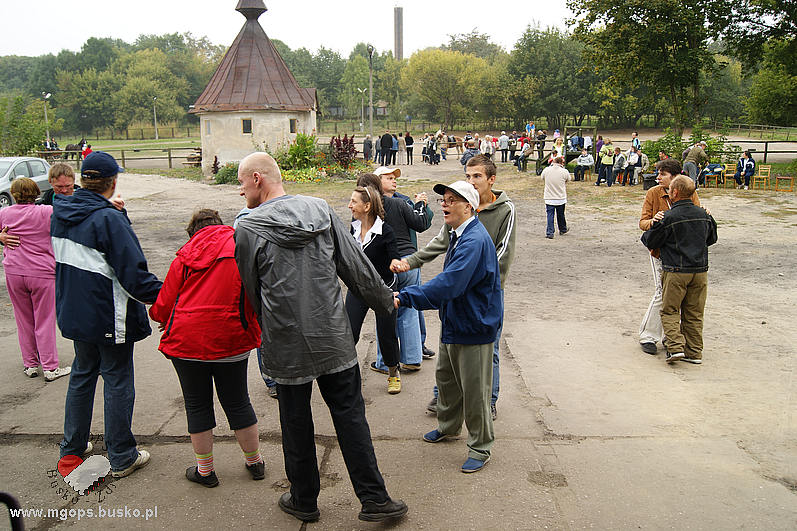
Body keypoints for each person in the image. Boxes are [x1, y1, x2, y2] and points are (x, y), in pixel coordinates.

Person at [234, 152, 408, 524]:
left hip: (286, 342)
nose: (240, 189)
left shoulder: (248, 229)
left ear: (258, 179)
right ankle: (375, 499)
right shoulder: (321, 210)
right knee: (350, 417)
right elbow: (356, 267)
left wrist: (263, 330)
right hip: (333, 335)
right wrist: (384, 302)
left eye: (241, 182)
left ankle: (303, 500)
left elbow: (250, 290)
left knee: (295, 423)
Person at [54, 151, 162, 478]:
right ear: (113, 182)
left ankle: (72, 447)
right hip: (107, 314)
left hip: (75, 313)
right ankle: (121, 455)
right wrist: (169, 298)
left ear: (83, 180)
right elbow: (135, 277)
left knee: (82, 375)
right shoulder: (109, 219)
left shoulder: (61, 211)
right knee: (116, 379)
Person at [395, 155, 515, 421]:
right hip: (458, 286)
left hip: (485, 291)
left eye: (477, 176)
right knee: (449, 340)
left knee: (486, 348)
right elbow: (440, 242)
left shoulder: (504, 210)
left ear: (490, 180)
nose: (471, 180)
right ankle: (444, 397)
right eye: (468, 175)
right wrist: (410, 262)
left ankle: (488, 400)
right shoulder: (457, 205)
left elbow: (503, 253)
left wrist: (477, 277)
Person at [149, 209, 263, 488]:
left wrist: (163, 317)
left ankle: (205, 471)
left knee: (197, 403)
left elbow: (163, 304)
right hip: (232, 338)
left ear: (193, 232)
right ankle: (254, 462)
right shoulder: (241, 248)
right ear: (220, 226)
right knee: (238, 400)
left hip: (187, 343)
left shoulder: (185, 256)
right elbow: (257, 292)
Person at [393, 180, 502, 474]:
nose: (444, 204)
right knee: (448, 380)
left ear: (469, 206)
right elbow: (435, 257)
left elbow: (449, 284)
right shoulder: (458, 233)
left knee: (475, 390)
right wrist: (410, 263)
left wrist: (405, 298)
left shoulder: (474, 240)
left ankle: (480, 447)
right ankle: (449, 427)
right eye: (444, 200)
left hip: (474, 325)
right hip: (456, 320)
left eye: (452, 200)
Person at [641, 176, 717, 364]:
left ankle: (675, 348)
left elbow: (649, 240)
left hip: (675, 270)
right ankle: (694, 352)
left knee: (670, 310)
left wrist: (655, 222)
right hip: (699, 271)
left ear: (674, 192)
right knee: (694, 313)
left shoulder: (668, 217)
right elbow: (711, 238)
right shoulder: (704, 214)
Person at [0, 178, 70, 381]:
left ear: (13, 194)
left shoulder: (4, 213)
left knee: (24, 319)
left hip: (14, 271)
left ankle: (30, 364)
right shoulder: (46, 211)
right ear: (36, 193)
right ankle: (50, 366)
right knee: (44, 320)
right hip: (42, 272)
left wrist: (1, 237)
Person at [366, 167, 433, 374]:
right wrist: (421, 205)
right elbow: (420, 223)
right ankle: (412, 358)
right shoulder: (400, 203)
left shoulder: (367, 209)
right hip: (408, 261)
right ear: (378, 182)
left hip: (386, 265)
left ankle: (385, 362)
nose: (394, 181)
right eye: (389, 178)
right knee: (409, 308)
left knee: (385, 311)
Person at [638, 158, 701, 355]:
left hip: (681, 253)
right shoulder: (653, 193)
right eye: (658, 174)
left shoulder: (689, 192)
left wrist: (704, 214)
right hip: (660, 251)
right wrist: (652, 221)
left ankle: (670, 336)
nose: (658, 178)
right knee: (661, 292)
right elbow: (642, 222)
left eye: (662, 175)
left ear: (675, 178)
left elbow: (695, 216)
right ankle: (648, 336)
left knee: (675, 295)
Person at [345, 185, 402, 394]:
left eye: (354, 202)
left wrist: (396, 262)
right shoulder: (352, 227)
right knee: (349, 333)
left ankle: (394, 373)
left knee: (386, 334)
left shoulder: (385, 231)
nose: (350, 205)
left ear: (367, 206)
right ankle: (349, 378)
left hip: (383, 289)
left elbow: (394, 254)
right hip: (358, 290)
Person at [542, 156, 570, 239]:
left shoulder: (546, 170)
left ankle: (550, 232)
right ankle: (562, 228)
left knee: (550, 214)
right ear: (561, 163)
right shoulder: (564, 171)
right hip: (560, 197)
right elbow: (568, 179)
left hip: (549, 197)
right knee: (560, 214)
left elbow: (542, 177)